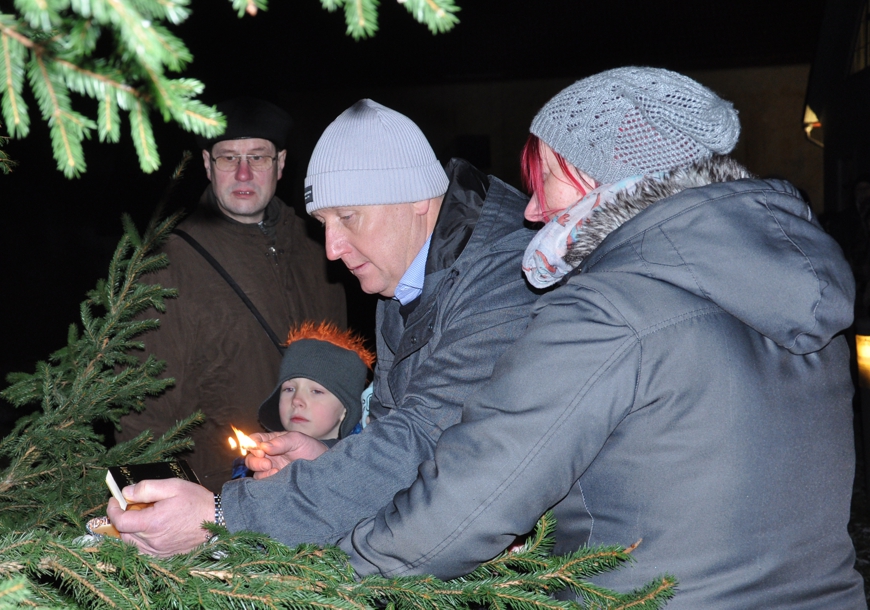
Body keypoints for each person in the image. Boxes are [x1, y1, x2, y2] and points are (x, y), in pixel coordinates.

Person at [334, 67, 865, 607]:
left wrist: (329, 571)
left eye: (546, 178)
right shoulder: (797, 300)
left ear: (602, 177)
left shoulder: (608, 311)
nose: (531, 210)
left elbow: (466, 504)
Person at [107, 99, 540, 554]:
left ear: (416, 196)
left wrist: (225, 517)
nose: (331, 250)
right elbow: (392, 436)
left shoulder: (503, 276)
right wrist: (327, 460)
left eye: (347, 217)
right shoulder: (399, 277)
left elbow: (423, 442)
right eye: (323, 223)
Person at [116, 98, 347, 492]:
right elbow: (141, 412)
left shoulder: (321, 247)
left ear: (281, 163)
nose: (243, 173)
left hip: (316, 483)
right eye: (228, 158)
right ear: (208, 164)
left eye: (258, 157)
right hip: (220, 491)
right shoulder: (170, 262)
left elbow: (346, 374)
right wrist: (150, 504)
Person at [256, 321, 374, 442]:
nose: (296, 400)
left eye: (316, 391)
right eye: (289, 389)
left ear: (345, 409)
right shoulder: (265, 451)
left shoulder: (367, 452)